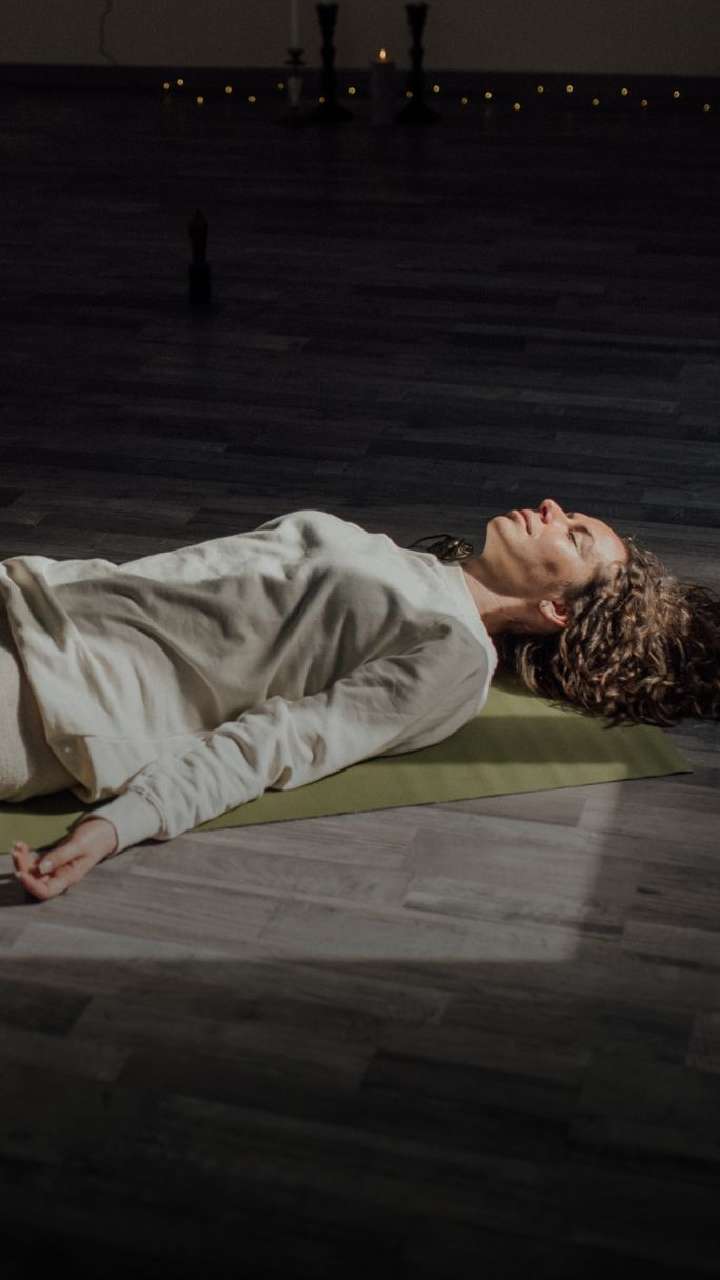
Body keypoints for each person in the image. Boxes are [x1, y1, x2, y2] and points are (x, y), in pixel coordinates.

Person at [6, 501, 718, 901]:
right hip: (30, 597)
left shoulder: (455, 657)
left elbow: (282, 743)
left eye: (575, 535)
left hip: (49, 696)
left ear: (559, 610)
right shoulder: (408, 564)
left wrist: (117, 826)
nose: (554, 510)